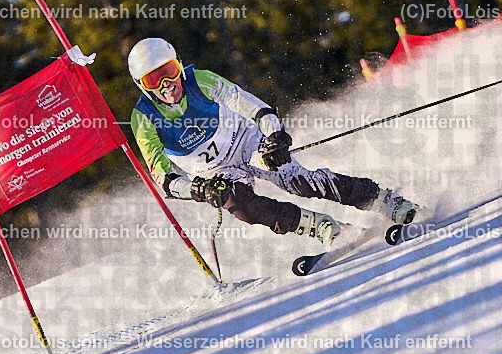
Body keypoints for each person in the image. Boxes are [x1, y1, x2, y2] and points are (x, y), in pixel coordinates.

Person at [128, 38, 418, 247]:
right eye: (154, 80)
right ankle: (323, 228)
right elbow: (163, 178)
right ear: (141, 85)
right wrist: (197, 189)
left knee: (299, 181)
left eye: (169, 71)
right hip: (215, 174)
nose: (167, 84)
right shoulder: (144, 119)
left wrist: (273, 136)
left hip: (247, 143)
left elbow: (253, 107)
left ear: (179, 65)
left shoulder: (200, 80)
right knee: (242, 207)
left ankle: (385, 201)